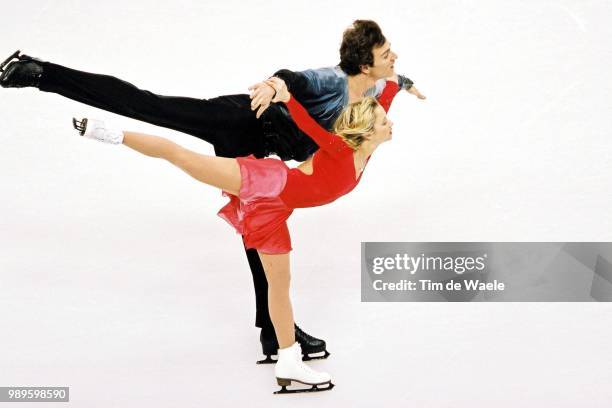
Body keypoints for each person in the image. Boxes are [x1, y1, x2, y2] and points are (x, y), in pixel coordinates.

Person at [0, 20, 425, 362]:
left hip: (266, 151)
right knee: (155, 106)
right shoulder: (331, 81)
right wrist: (277, 85)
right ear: (365, 65)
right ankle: (39, 73)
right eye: (387, 54)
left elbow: (391, 83)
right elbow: (293, 79)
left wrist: (403, 81)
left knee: (258, 229)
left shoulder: (373, 87)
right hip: (240, 121)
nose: (395, 57)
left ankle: (273, 333)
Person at [71, 75, 399, 393]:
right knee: (182, 156)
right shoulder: (340, 148)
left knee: (279, 287)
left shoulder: (366, 153)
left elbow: (383, 99)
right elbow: (308, 127)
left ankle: (287, 360)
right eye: (384, 123)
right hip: (267, 182)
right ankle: (108, 133)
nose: (390, 125)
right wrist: (288, 99)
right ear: (368, 130)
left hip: (275, 211)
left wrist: (399, 84)